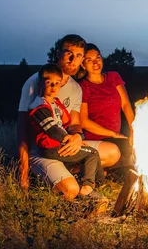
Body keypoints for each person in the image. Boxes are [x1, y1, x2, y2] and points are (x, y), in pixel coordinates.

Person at [17, 34, 120, 199]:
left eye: (79, 56)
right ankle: (46, 177)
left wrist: (77, 137)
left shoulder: (75, 88)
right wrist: (23, 171)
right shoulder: (37, 81)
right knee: (70, 191)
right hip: (42, 149)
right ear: (58, 53)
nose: (73, 59)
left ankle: (72, 175)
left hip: (65, 144)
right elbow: (22, 127)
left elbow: (74, 123)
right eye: (69, 53)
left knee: (113, 152)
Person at [28, 64, 104, 199]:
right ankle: (89, 188)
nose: (53, 87)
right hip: (50, 146)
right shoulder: (39, 105)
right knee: (92, 154)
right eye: (49, 83)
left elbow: (67, 122)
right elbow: (52, 129)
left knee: (88, 152)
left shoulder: (55, 103)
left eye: (57, 83)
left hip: (57, 143)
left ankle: (98, 184)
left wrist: (77, 138)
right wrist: (70, 140)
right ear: (40, 83)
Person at [79, 43, 135, 179]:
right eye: (89, 60)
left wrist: (134, 130)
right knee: (123, 155)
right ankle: (82, 172)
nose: (95, 63)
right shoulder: (83, 86)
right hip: (96, 138)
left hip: (116, 136)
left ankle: (103, 173)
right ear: (82, 65)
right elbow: (84, 121)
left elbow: (126, 105)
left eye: (98, 57)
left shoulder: (113, 77)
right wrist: (114, 134)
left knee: (133, 152)